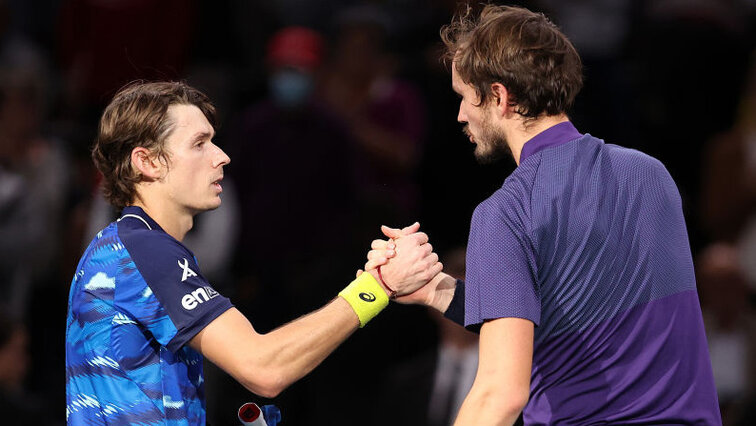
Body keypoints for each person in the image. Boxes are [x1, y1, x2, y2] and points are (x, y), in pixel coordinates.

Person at [367, 5, 720, 424]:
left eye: (464, 96)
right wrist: (436, 289)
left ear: (499, 97)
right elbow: (570, 316)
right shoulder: (650, 174)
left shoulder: (505, 213)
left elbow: (500, 393)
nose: (460, 115)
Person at [64, 81, 442, 425]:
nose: (222, 156)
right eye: (199, 144)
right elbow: (264, 368)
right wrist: (377, 288)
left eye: (214, 140)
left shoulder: (130, 246)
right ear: (146, 162)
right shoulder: (145, 250)